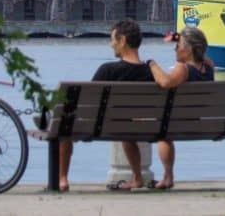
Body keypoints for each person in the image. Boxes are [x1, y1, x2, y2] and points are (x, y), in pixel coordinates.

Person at [57, 19, 156, 192]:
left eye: (113, 40)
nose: (111, 45)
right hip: (137, 127)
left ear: (123, 40)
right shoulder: (151, 72)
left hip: (99, 127)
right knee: (127, 130)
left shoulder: (108, 70)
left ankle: (63, 179)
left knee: (64, 124)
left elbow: (87, 103)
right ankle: (138, 178)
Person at [146, 27, 214, 189]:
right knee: (164, 127)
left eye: (179, 45)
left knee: (163, 132)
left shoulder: (183, 68)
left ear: (189, 49)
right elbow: (200, 53)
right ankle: (167, 177)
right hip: (198, 121)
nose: (175, 48)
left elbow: (166, 83)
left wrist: (151, 64)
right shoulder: (209, 67)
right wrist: (182, 39)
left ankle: (168, 177)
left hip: (176, 123)